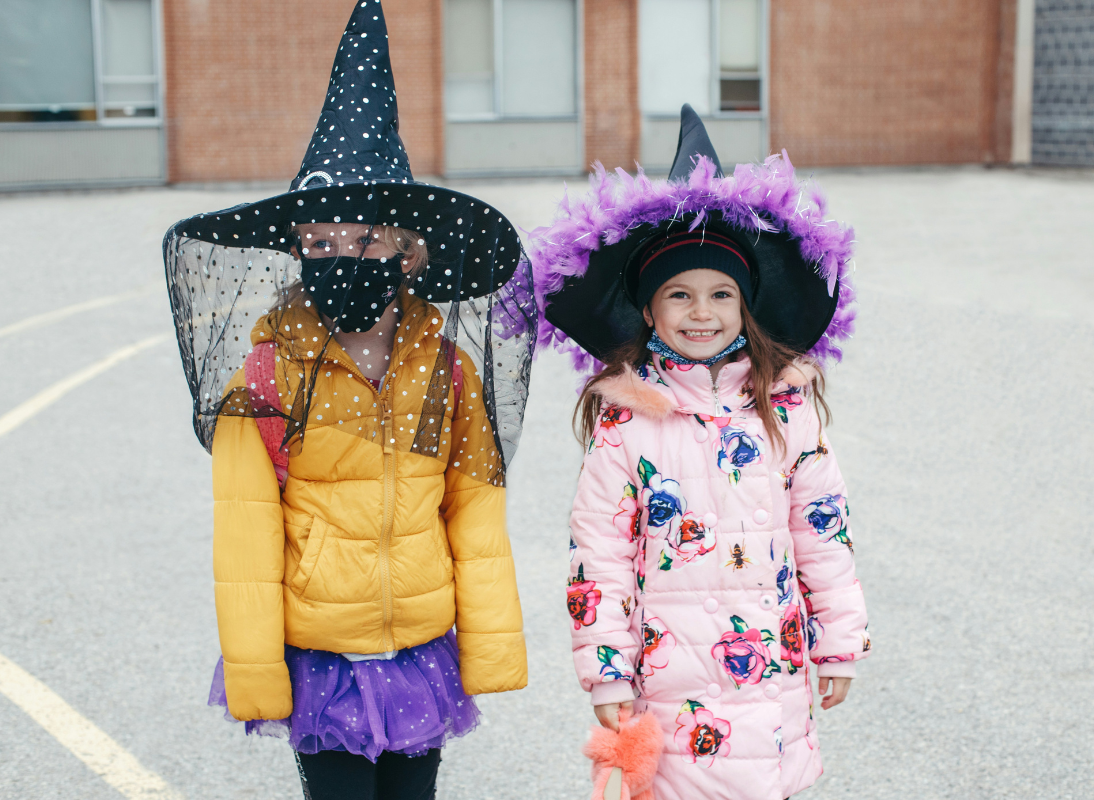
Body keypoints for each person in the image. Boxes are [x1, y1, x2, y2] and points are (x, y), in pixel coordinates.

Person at [162, 3, 536, 797]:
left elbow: (474, 508)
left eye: (361, 239)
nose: (339, 258)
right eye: (319, 244)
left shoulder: (446, 371)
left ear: (406, 248)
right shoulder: (265, 378)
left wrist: (493, 644)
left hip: (421, 647)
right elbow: (244, 536)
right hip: (321, 655)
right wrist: (257, 671)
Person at [530, 106, 869, 800]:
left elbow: (824, 530)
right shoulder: (626, 423)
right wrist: (608, 670)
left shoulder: (787, 407)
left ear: (748, 307)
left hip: (771, 679)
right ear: (648, 313)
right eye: (678, 295)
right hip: (670, 687)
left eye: (721, 294)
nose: (701, 311)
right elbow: (599, 556)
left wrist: (838, 640)